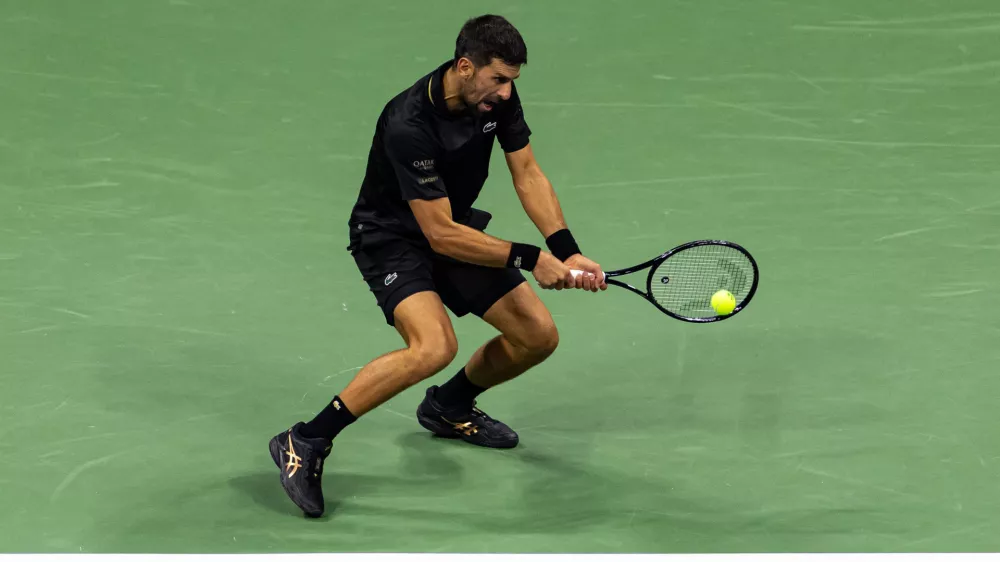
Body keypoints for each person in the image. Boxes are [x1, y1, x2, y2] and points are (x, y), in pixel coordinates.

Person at [268, 14, 606, 518]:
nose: (507, 93)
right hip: (392, 240)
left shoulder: (496, 100)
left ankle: (448, 408)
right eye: (498, 79)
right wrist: (532, 258)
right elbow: (439, 234)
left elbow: (528, 172)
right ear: (465, 67)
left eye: (513, 81)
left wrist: (566, 247)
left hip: (455, 228)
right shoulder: (409, 123)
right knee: (433, 346)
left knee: (537, 336)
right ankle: (306, 440)